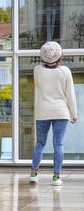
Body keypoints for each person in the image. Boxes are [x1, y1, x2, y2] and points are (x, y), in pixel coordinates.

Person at [29, 41, 77, 186]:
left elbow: (39, 85)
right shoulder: (65, 71)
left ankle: (33, 173)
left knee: (40, 143)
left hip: (42, 110)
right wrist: (74, 113)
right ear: (59, 56)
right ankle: (56, 177)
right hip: (61, 111)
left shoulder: (37, 70)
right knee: (59, 144)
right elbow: (70, 95)